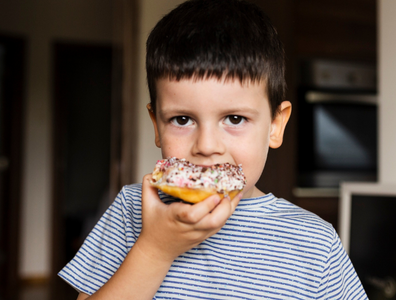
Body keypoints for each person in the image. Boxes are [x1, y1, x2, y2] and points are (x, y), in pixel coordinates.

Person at [59, 0, 367, 299]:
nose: (206, 147)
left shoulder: (315, 242)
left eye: (234, 118)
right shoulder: (133, 210)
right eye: (182, 119)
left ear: (275, 125)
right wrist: (155, 249)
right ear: (156, 125)